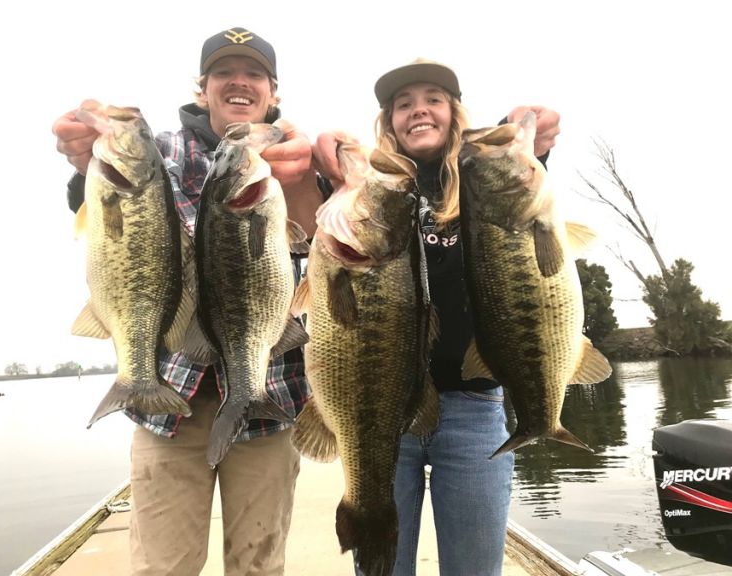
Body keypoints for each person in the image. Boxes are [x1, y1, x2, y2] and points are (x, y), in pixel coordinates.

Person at [52, 27, 323, 576]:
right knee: (161, 566)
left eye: (254, 75)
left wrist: (308, 183)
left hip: (268, 395)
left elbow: (322, 238)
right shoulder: (161, 153)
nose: (239, 82)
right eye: (224, 73)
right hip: (169, 399)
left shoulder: (294, 158)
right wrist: (85, 168)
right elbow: (115, 212)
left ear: (274, 91)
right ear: (203, 88)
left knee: (258, 566)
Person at [312, 58, 561, 576]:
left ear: (454, 113)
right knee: (383, 565)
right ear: (388, 121)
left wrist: (533, 137)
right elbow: (311, 173)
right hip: (385, 412)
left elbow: (516, 206)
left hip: (474, 412)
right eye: (403, 104)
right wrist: (328, 154)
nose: (418, 110)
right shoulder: (373, 190)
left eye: (433, 99)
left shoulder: (481, 184)